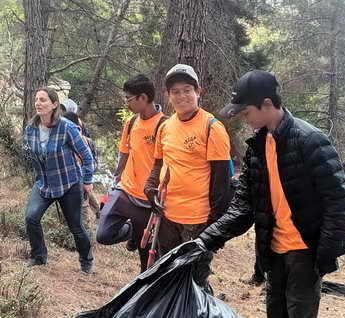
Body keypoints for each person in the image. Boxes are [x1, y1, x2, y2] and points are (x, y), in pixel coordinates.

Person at [189, 70, 345, 318]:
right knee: (277, 317)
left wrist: (326, 252)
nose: (245, 120)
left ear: (266, 104)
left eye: (247, 113)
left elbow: (339, 202)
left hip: (306, 250)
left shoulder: (311, 140)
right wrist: (207, 239)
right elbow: (244, 206)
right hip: (274, 249)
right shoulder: (257, 147)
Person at [144, 64, 231, 292]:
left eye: (187, 90)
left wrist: (214, 223)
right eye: (175, 92)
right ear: (168, 96)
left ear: (198, 91)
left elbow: (222, 181)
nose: (181, 96)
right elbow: (158, 164)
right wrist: (150, 187)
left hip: (197, 220)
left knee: (194, 279)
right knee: (168, 273)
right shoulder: (165, 126)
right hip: (166, 216)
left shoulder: (213, 127)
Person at [96, 74, 166, 272]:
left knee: (146, 262)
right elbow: (123, 156)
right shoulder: (131, 123)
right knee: (103, 235)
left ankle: (143, 296)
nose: (126, 102)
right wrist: (114, 184)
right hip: (125, 192)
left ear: (143, 98)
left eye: (128, 98)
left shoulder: (164, 125)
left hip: (148, 200)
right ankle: (132, 232)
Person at [24, 87, 95, 274]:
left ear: (54, 105)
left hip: (68, 184)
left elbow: (87, 157)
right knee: (31, 217)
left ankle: (86, 262)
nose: (38, 103)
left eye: (43, 100)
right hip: (44, 184)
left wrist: (87, 181)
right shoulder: (30, 129)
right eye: (37, 99)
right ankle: (38, 257)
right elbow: (29, 156)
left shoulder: (66, 127)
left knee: (76, 227)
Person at [63, 111, 101, 221]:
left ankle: (87, 230)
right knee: (87, 193)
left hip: (82, 175)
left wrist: (86, 178)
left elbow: (90, 160)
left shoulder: (82, 140)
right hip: (79, 176)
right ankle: (99, 211)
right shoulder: (73, 137)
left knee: (83, 206)